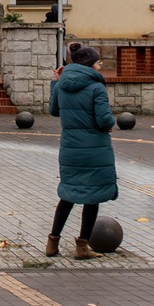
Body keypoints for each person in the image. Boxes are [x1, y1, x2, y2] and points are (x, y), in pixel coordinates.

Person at [46, 42, 118, 259]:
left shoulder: (62, 84)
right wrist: (111, 123)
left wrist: (55, 82)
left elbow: (54, 110)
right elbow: (103, 120)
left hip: (70, 148)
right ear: (89, 64)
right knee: (92, 197)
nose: (100, 65)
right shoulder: (96, 87)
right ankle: (82, 247)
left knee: (67, 195)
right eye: (98, 62)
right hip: (94, 149)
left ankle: (52, 243)